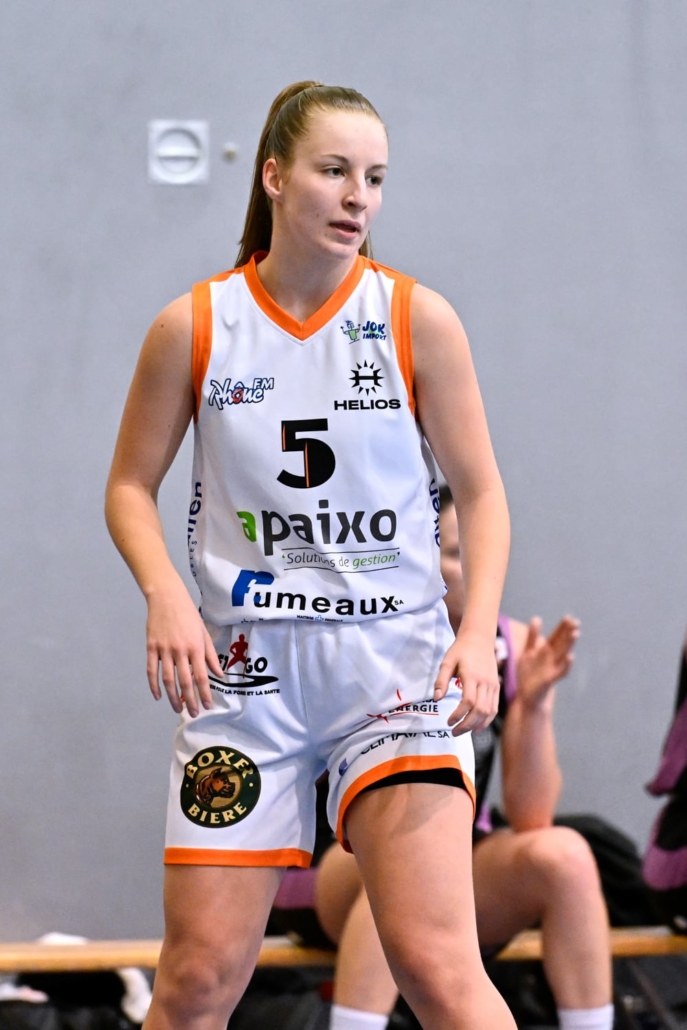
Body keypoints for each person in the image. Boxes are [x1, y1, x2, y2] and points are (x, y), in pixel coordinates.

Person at [105, 80, 514, 1030]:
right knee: (196, 981)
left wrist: (477, 631)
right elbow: (128, 487)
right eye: (335, 171)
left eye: (374, 178)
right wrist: (164, 592)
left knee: (438, 969)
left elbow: (484, 493)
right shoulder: (194, 325)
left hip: (393, 671)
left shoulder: (415, 318)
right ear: (275, 176)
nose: (357, 196)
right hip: (246, 679)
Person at [312, 487, 613, 1030]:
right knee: (406, 859)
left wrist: (533, 707)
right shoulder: (365, 634)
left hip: (459, 856)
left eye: (471, 552)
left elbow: (532, 817)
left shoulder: (510, 646)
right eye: (451, 553)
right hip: (337, 860)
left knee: (566, 856)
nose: (468, 570)